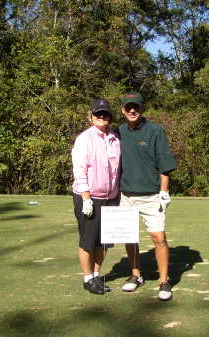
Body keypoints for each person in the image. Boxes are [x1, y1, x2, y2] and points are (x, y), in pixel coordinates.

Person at [117, 92, 177, 301]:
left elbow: (164, 164)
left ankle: (164, 281)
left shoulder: (155, 131)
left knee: (158, 238)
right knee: (129, 237)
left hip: (152, 196)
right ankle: (136, 275)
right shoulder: (119, 132)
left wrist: (164, 191)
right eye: (128, 107)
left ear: (142, 109)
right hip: (126, 195)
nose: (132, 110)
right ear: (123, 110)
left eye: (136, 107)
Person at [71, 98, 120, 295]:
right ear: (91, 117)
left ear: (110, 117)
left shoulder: (115, 139)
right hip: (89, 197)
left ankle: (96, 275)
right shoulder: (84, 139)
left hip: (111, 197)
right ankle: (87, 278)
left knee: (104, 241)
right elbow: (79, 170)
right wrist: (86, 197)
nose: (102, 117)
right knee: (88, 240)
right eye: (98, 114)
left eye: (105, 114)